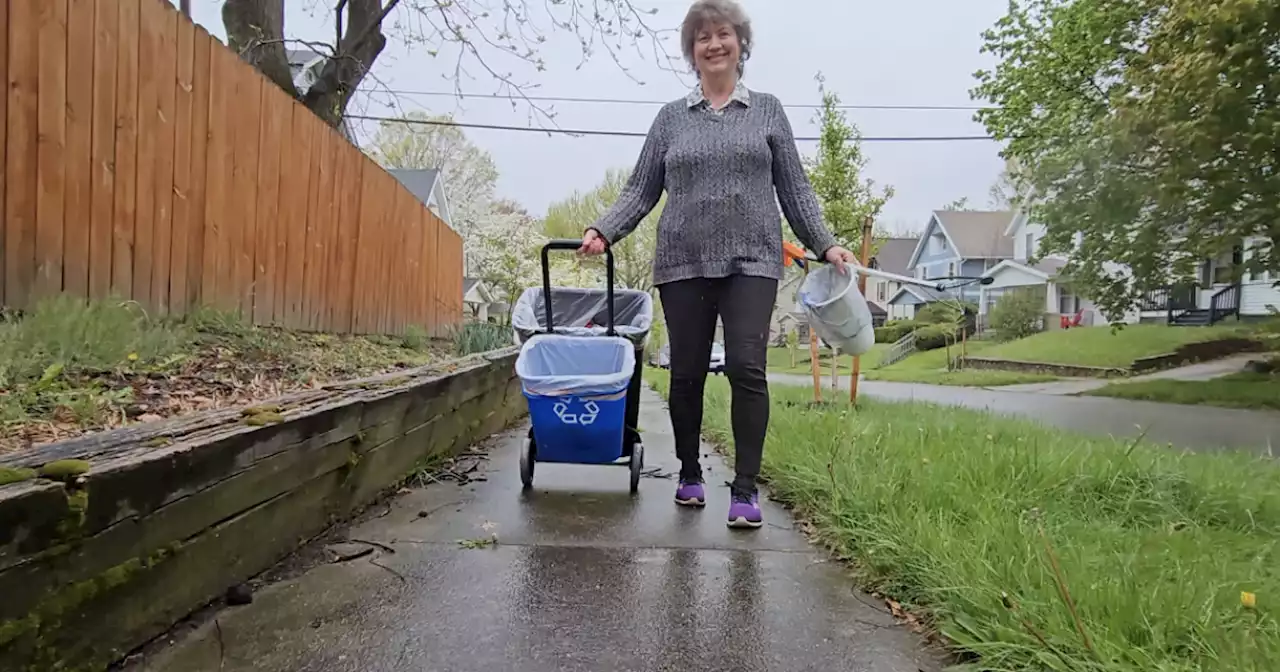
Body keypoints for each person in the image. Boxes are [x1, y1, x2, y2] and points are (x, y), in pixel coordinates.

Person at [579, 0, 854, 529]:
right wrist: (603, 230)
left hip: (752, 259)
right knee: (685, 375)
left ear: (740, 43)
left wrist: (825, 244)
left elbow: (794, 190)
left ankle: (745, 489)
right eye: (702, 37)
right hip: (683, 262)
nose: (713, 44)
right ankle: (688, 474)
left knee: (748, 368)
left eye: (722, 34)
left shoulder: (768, 111)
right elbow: (640, 189)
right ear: (692, 51)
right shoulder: (670, 119)